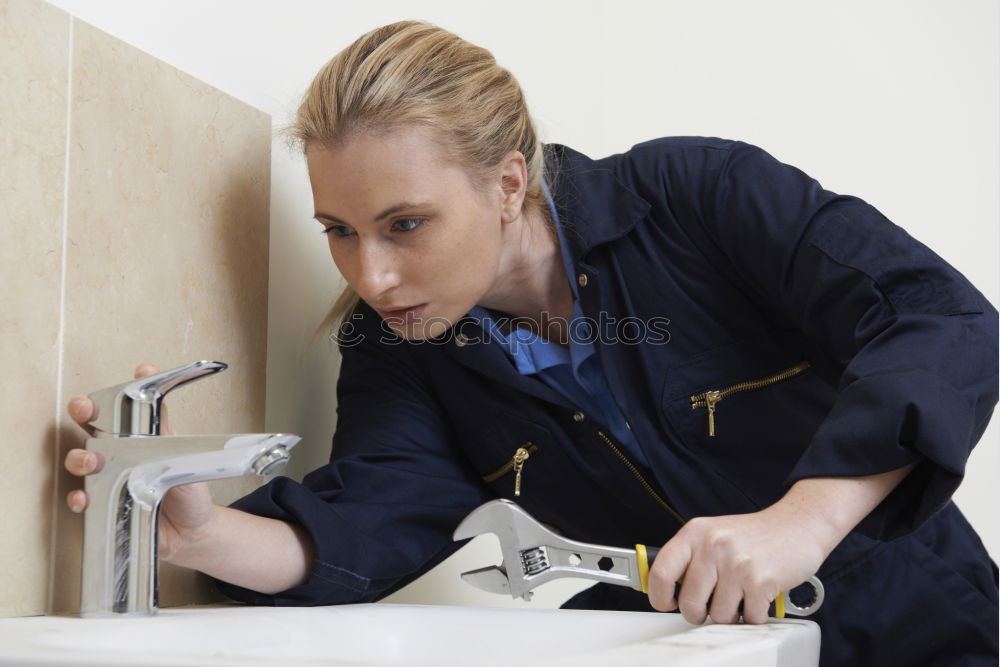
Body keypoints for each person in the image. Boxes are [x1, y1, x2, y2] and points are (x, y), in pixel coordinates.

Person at [63, 20, 997, 667]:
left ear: (508, 182)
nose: (371, 275)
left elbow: (937, 317)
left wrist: (802, 521)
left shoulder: (698, 196)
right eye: (340, 231)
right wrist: (203, 531)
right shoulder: (394, 347)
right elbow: (373, 521)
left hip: (931, 627)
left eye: (405, 223)